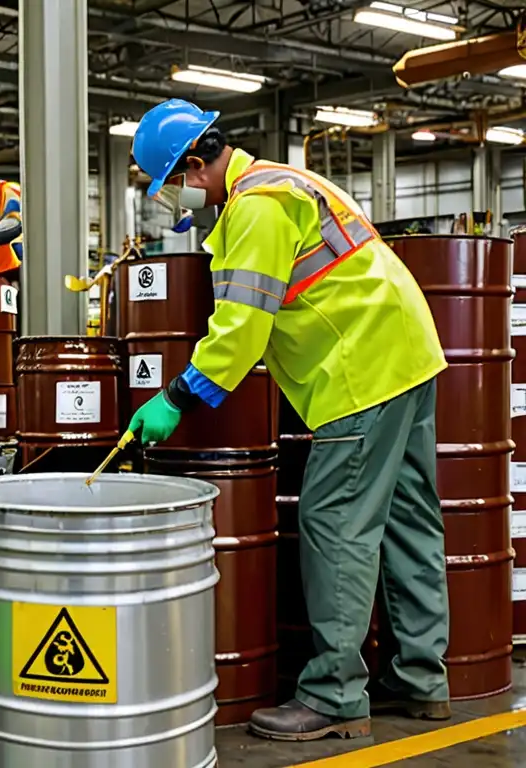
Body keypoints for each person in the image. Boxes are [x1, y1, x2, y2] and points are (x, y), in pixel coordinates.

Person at [127, 99, 450, 741]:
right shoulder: (285, 178)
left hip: (361, 370)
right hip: (409, 350)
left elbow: (241, 329)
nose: (173, 200)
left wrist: (176, 397)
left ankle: (333, 694)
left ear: (196, 164)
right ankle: (421, 679)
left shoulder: (255, 208)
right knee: (409, 519)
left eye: (171, 185)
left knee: (334, 520)